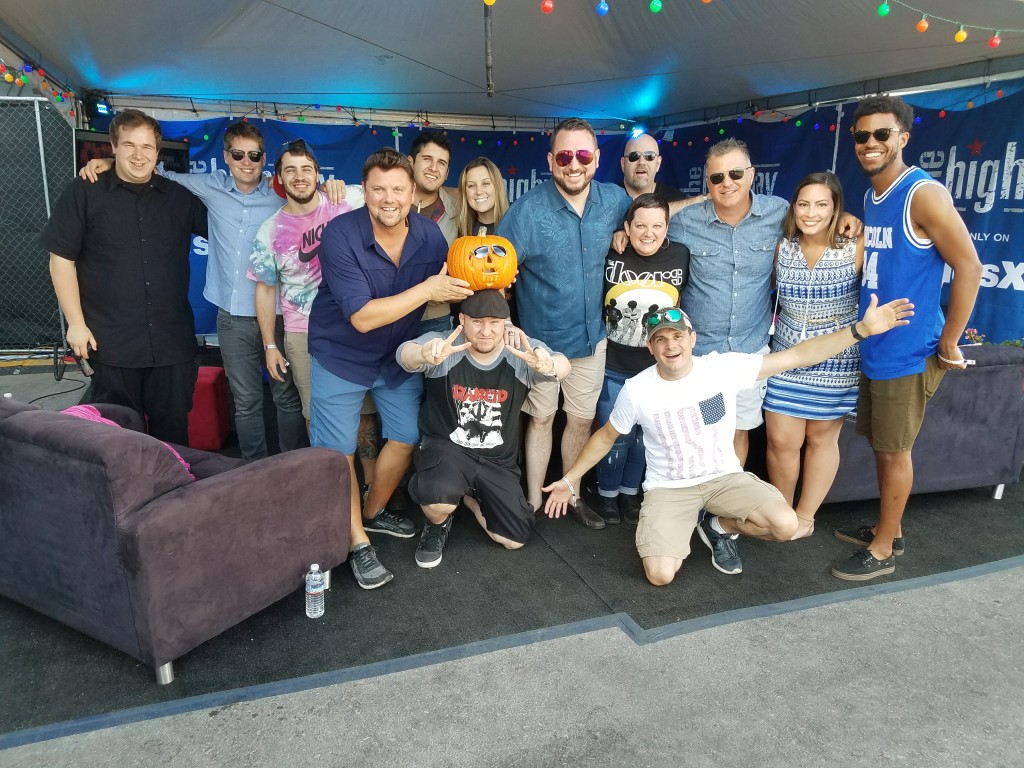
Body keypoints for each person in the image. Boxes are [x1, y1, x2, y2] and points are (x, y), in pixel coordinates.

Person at [543, 296, 913, 587]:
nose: (670, 345)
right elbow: (606, 437)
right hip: (670, 488)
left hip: (724, 478)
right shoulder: (637, 390)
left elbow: (798, 355)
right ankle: (679, 531)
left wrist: (859, 331)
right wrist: (570, 478)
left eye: (677, 336)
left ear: (692, 339)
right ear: (651, 349)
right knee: (660, 575)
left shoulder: (721, 367)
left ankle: (720, 527)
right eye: (660, 340)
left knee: (787, 526)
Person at [80, 122, 315, 461]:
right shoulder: (208, 185)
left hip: (278, 316)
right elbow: (154, 171)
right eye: (238, 154)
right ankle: (254, 471)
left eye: (254, 155)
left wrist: (333, 186)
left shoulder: (282, 195)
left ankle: (292, 464)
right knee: (246, 402)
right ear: (226, 157)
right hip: (231, 318)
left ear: (265, 159)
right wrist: (105, 162)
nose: (247, 162)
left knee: (286, 398)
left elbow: (314, 195)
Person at [831, 95, 982, 581]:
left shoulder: (923, 193)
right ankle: (887, 528)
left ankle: (883, 550)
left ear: (903, 137)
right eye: (861, 136)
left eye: (881, 134)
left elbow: (969, 266)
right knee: (883, 445)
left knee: (896, 451)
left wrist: (949, 343)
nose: (870, 144)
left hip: (908, 352)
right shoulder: (877, 194)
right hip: (877, 346)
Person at [308, 147, 473, 590]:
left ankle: (368, 514)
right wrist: (426, 289)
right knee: (337, 449)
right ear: (365, 191)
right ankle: (358, 543)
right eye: (378, 189)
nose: (388, 198)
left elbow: (450, 284)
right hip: (341, 353)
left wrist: (490, 283)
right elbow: (361, 316)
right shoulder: (340, 234)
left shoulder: (430, 235)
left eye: (398, 189)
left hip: (397, 354)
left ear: (413, 192)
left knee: (404, 436)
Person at [665, 139, 862, 475]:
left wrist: (843, 216)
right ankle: (693, 502)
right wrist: (624, 231)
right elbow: (648, 218)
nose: (727, 182)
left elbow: (813, 213)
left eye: (735, 173)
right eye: (716, 178)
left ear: (752, 174)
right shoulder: (686, 221)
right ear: (707, 182)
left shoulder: (777, 213)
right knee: (702, 432)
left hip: (749, 353)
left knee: (737, 432)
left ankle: (723, 505)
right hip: (704, 355)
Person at [496, 117, 634, 530]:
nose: (574, 164)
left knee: (579, 419)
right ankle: (533, 500)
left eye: (583, 155)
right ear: (551, 160)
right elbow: (495, 273)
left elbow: (658, 216)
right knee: (540, 418)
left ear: (596, 160)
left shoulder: (615, 201)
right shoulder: (525, 212)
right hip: (540, 343)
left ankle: (569, 492)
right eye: (565, 155)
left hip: (594, 338)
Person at [42, 109, 208, 444]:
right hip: (111, 344)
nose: (139, 154)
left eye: (147, 147)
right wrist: (75, 323)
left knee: (173, 440)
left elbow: (235, 226)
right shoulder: (84, 192)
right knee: (117, 444)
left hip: (171, 346)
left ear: (158, 153)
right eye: (129, 145)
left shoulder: (180, 199)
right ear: (113, 147)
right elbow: (60, 259)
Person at [398, 290, 570, 568]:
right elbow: (404, 355)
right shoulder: (445, 344)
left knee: (514, 539)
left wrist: (549, 364)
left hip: (497, 460)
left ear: (506, 323)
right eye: (478, 322)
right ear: (462, 320)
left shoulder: (519, 351)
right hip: (449, 450)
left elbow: (561, 365)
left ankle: (469, 499)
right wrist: (423, 354)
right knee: (437, 498)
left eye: (494, 322)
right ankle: (438, 523)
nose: (486, 331)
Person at [764, 172, 864, 540]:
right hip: (786, 356)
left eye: (822, 204)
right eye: (804, 204)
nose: (811, 213)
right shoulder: (782, 246)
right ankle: (782, 513)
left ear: (836, 208)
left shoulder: (855, 246)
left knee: (822, 439)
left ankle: (805, 518)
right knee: (780, 441)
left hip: (836, 360)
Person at [594, 193, 690, 525]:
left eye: (656, 226)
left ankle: (630, 494)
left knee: (644, 439)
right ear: (627, 227)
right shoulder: (610, 252)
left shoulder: (681, 255)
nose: (648, 233)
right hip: (613, 368)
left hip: (656, 371)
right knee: (614, 435)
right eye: (640, 225)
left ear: (667, 227)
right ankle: (606, 495)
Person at [247, 140, 355, 425]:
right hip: (303, 334)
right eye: (290, 170)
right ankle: (325, 469)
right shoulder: (269, 231)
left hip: (354, 327)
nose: (299, 176)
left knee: (361, 413)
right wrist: (270, 346)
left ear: (318, 174)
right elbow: (265, 289)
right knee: (315, 415)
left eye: (307, 169)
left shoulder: (346, 202)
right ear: (279, 178)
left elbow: (393, 194)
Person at [620, 133, 687, 202]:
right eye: (634, 156)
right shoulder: (609, 198)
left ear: (658, 164)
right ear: (623, 164)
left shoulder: (677, 200)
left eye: (649, 156)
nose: (641, 162)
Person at [455, 157, 510, 237]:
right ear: (465, 193)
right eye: (471, 186)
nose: (479, 192)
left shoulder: (514, 228)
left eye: (486, 183)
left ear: (497, 187)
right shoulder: (460, 232)